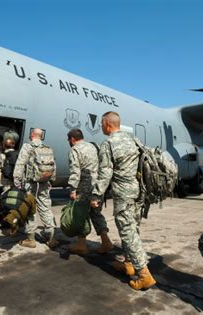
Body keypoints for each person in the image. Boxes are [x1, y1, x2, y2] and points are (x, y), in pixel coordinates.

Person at [90, 111, 156, 290]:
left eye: (101, 124)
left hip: (123, 194)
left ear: (106, 123)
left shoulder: (109, 144)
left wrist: (96, 195)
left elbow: (105, 173)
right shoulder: (133, 140)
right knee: (133, 227)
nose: (101, 127)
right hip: (137, 192)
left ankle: (144, 274)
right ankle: (128, 263)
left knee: (128, 232)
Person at [66, 128, 113, 255]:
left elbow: (75, 171)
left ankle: (81, 245)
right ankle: (106, 242)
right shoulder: (94, 146)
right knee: (96, 214)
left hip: (84, 187)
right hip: (98, 187)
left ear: (72, 139)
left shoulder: (75, 150)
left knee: (80, 214)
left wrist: (72, 189)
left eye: (68, 139)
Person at [13, 128, 58, 248]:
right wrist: (51, 181)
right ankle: (51, 237)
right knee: (45, 208)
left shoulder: (28, 146)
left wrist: (16, 180)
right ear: (41, 136)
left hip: (30, 184)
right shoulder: (47, 148)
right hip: (43, 183)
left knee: (30, 210)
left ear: (32, 135)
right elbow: (53, 165)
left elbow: (20, 163)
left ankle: (30, 239)